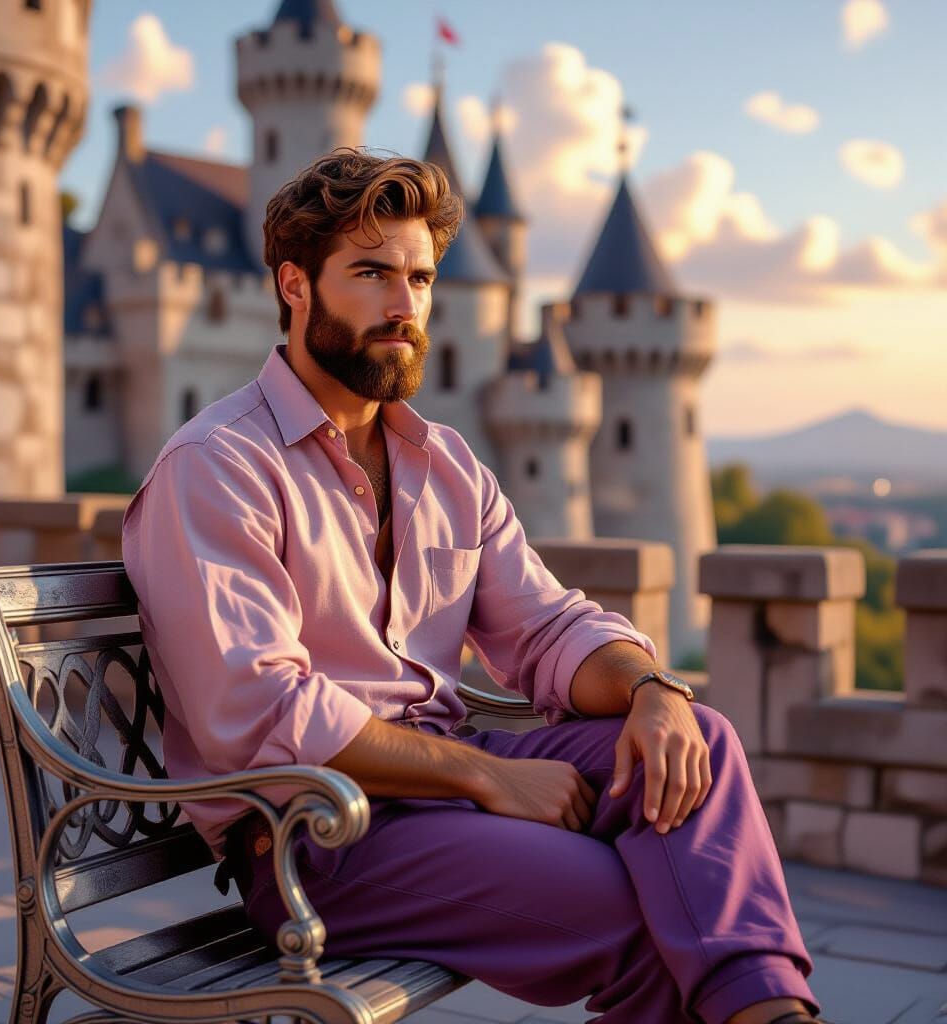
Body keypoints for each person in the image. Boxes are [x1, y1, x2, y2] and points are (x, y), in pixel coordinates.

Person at [121, 149, 824, 1024]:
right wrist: (487, 778)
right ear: (295, 286)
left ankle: (773, 1014)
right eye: (371, 273)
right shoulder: (218, 465)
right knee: (641, 902)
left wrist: (649, 688)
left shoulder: (445, 464)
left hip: (438, 784)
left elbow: (547, 627)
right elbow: (263, 712)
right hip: (318, 832)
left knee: (700, 742)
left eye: (419, 277)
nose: (404, 304)